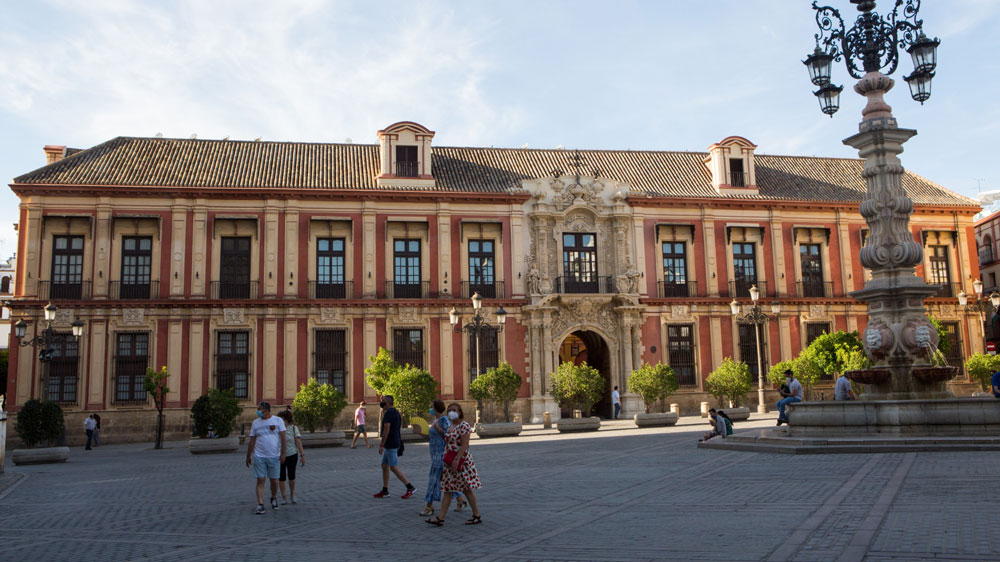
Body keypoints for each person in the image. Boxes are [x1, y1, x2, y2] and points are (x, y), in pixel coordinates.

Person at [426, 403, 482, 527]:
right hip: (449, 462)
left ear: (460, 412)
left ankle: (476, 515)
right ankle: (440, 518)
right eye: (450, 410)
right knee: (447, 489)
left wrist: (457, 459)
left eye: (454, 410)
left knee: (467, 489)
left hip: (461, 462)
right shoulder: (451, 426)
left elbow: (465, 444)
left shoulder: (464, 425)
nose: (452, 412)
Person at [421, 400, 466, 516]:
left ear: (436, 408)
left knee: (433, 480)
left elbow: (448, 435)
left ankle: (429, 506)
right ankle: (460, 500)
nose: (430, 409)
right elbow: (432, 437)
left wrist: (438, 428)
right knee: (445, 480)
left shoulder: (443, 420)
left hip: (441, 455)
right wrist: (420, 433)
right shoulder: (435, 420)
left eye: (431, 407)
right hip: (434, 454)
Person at [245, 401, 287, 515]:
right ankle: (260, 504)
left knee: (274, 481)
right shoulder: (255, 423)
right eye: (257, 409)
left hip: (274, 456)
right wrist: (248, 456)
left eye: (260, 409)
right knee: (260, 479)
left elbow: (283, 438)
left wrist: (283, 453)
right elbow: (252, 440)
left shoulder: (278, 421)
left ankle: (273, 498)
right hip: (259, 456)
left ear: (267, 410)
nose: (258, 411)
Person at [373, 395, 416, 499]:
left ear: (387, 402)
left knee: (393, 467)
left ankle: (410, 487)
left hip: (391, 443)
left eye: (383, 401)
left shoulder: (388, 414)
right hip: (394, 442)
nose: (381, 402)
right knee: (384, 466)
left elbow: (386, 430)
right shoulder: (396, 412)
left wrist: (382, 444)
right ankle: (385, 490)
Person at [276, 410, 305, 505]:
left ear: (287, 419)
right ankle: (284, 497)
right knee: (281, 476)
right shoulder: (276, 429)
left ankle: (292, 495)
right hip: (279, 455)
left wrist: (302, 455)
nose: (281, 421)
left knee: (291, 475)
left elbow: (298, 442)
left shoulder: (293, 428)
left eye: (282, 419)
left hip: (292, 454)